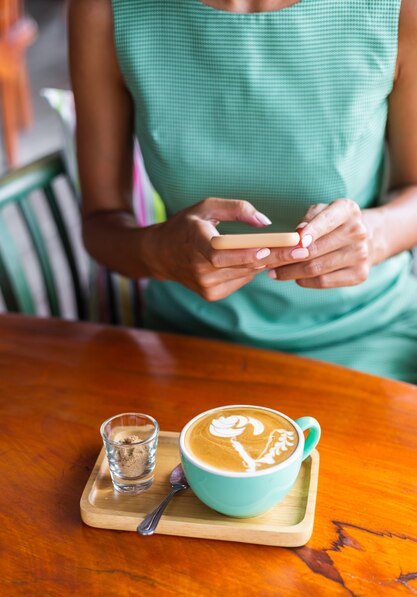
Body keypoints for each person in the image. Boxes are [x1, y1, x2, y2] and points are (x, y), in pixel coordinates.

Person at [68, 0, 417, 383]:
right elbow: (100, 223)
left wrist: (373, 236)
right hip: (187, 341)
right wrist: (157, 254)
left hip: (367, 331)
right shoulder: (104, 10)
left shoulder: (398, 9)